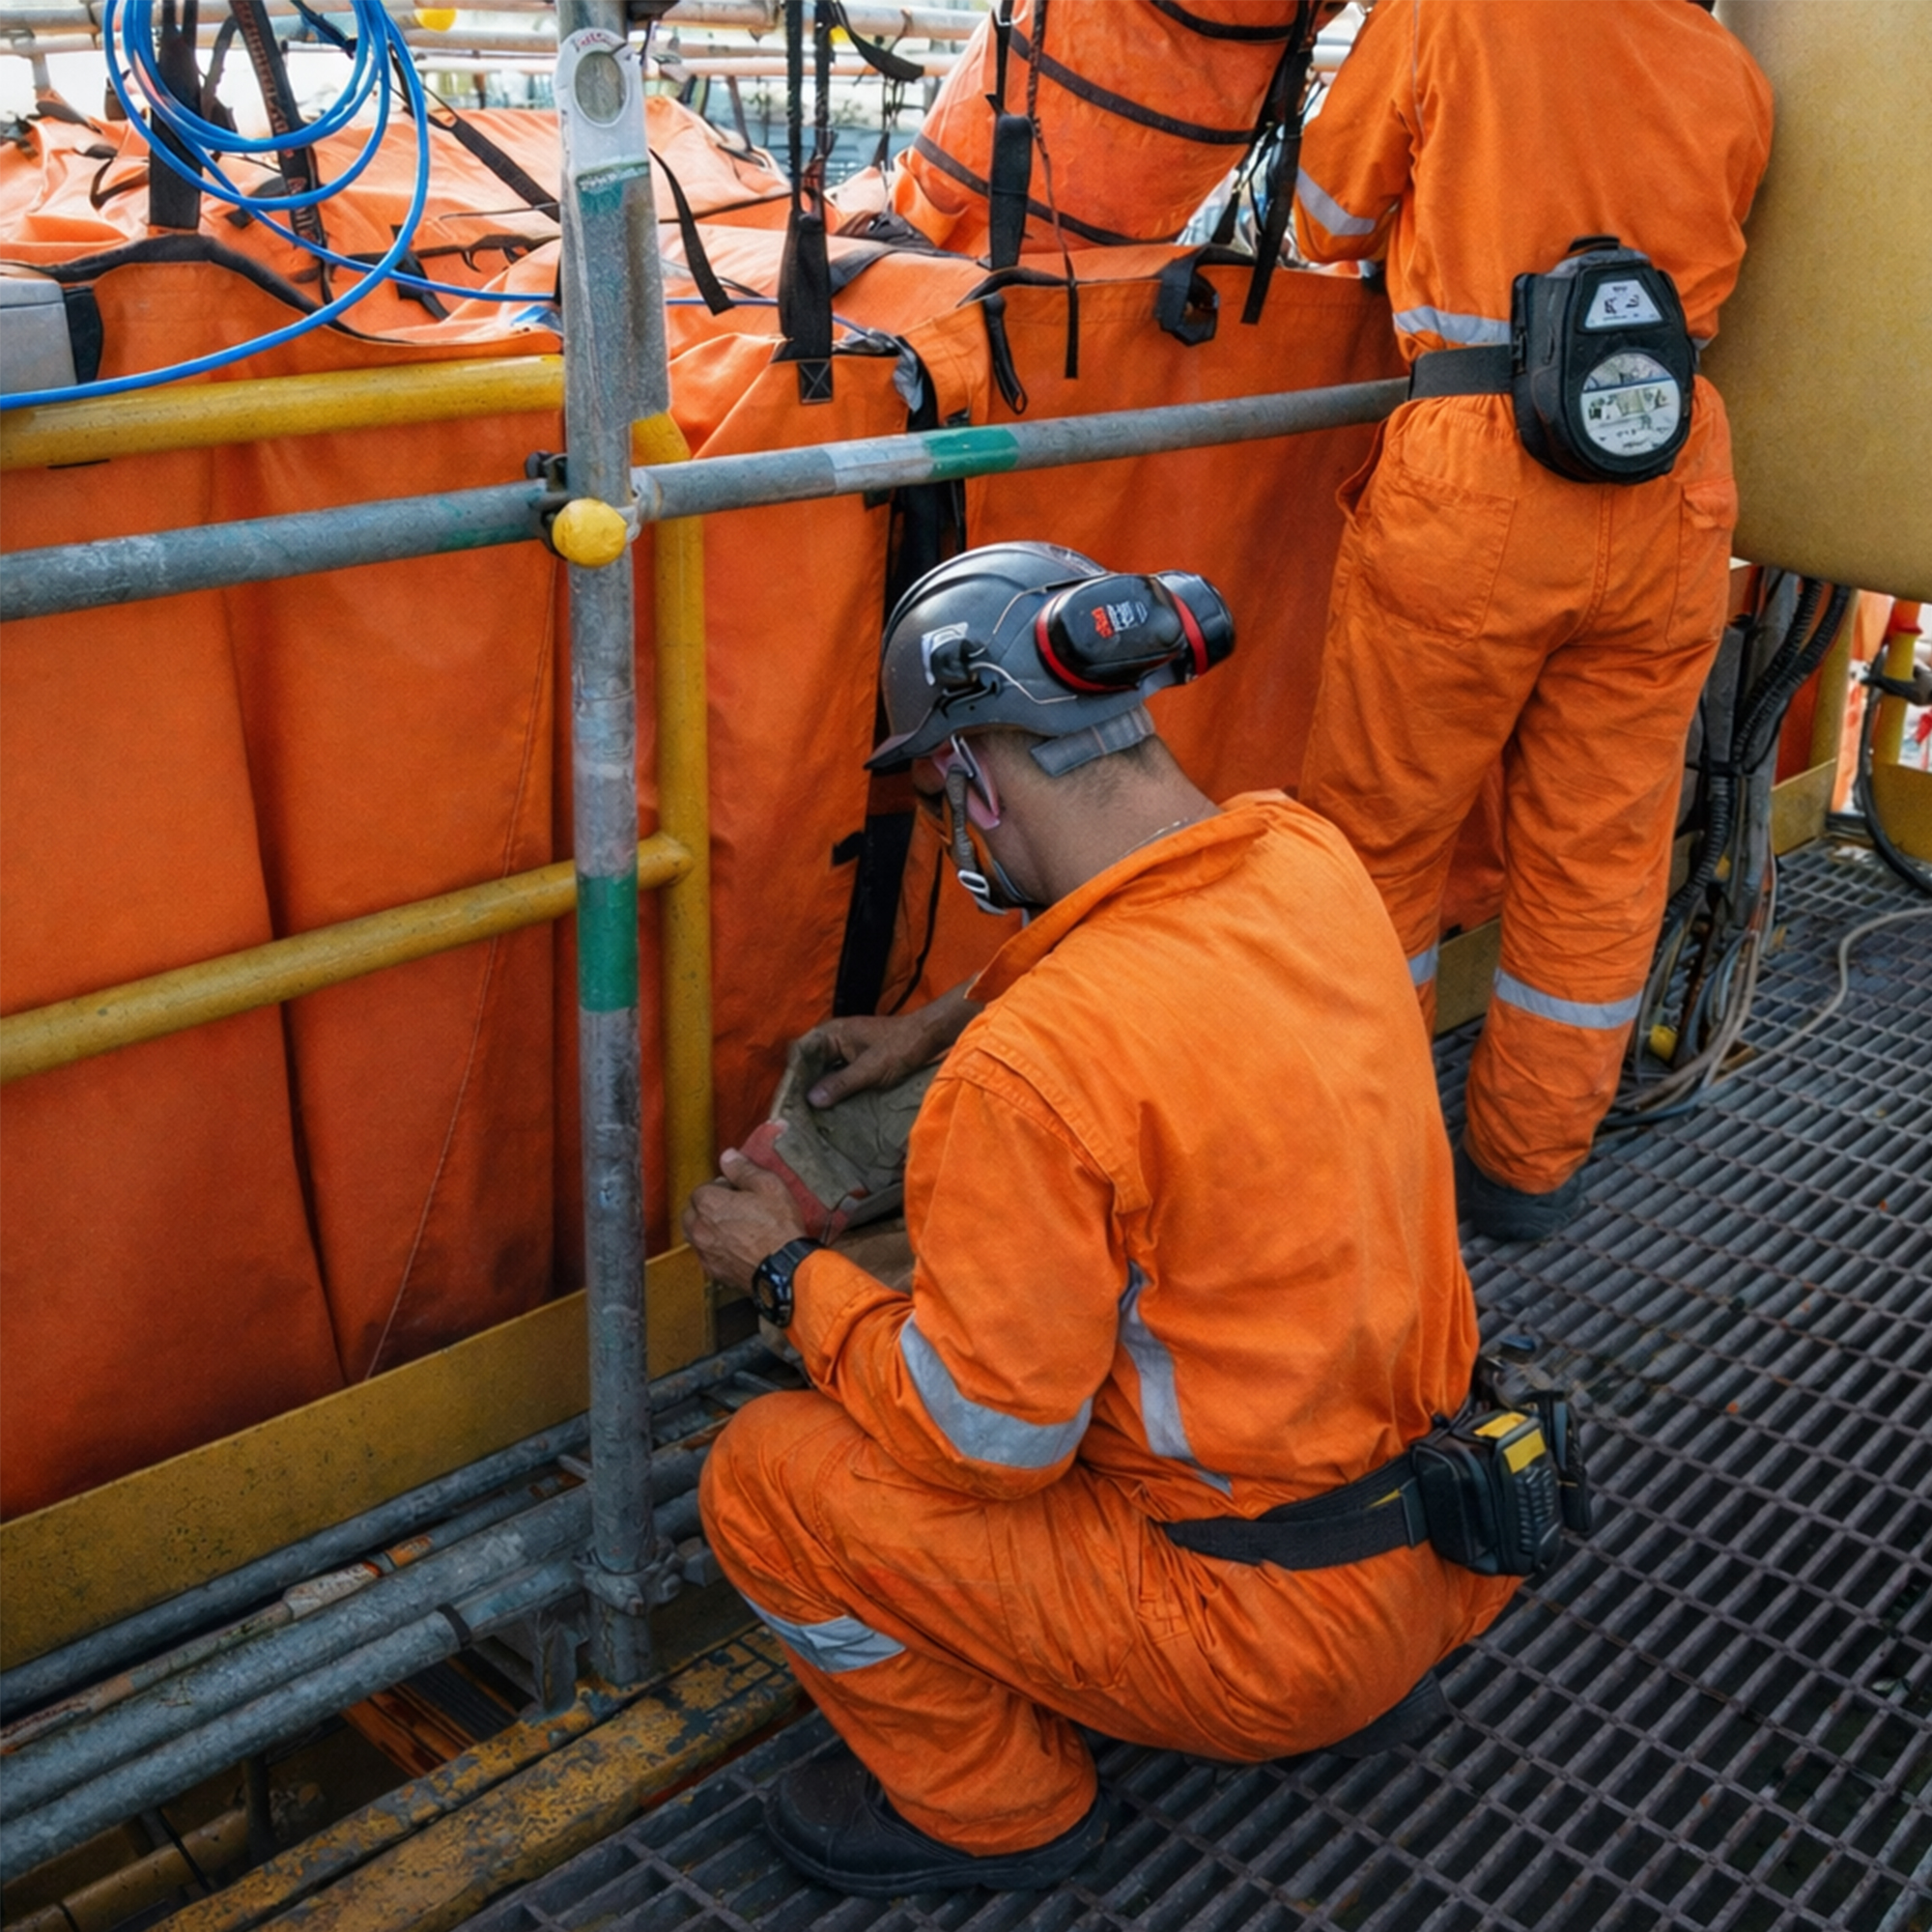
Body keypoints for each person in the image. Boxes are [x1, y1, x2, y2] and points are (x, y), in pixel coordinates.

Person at [683, 543, 1520, 1896]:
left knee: (767, 1477)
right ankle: (1365, 1675)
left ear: (970, 780)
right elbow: (1162, 932)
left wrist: (783, 1276)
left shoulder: (1040, 1075)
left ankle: (995, 1809)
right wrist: (941, 1021)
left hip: (1257, 1637)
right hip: (1443, 1548)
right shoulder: (1307, 860)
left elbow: (988, 1441)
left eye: (945, 801)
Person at [1293, 0, 1774, 1239]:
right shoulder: (1726, 66)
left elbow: (1323, 219)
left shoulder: (1452, 13)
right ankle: (1523, 1168)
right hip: (1670, 472)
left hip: (1478, 466)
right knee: (1600, 855)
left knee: (1380, 840)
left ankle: (1361, 1160)